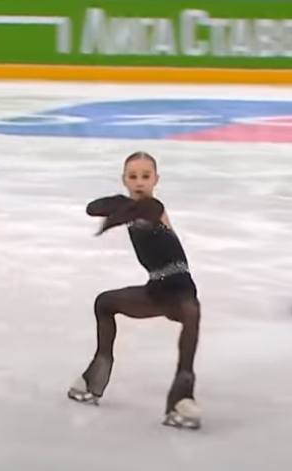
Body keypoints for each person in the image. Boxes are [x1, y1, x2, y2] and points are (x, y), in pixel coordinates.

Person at [67, 152, 203, 429]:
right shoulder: (129, 206)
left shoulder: (154, 207)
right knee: (104, 303)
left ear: (156, 180)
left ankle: (182, 399)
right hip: (156, 290)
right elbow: (93, 208)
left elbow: (145, 212)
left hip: (182, 292)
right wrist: (118, 204)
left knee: (191, 315)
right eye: (133, 177)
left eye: (145, 176)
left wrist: (115, 217)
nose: (139, 182)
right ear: (124, 180)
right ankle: (95, 377)